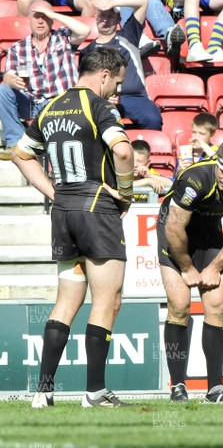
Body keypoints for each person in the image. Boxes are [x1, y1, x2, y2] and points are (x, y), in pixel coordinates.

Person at [11, 47, 133, 408]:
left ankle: (43, 391)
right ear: (104, 75)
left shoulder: (49, 107)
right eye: (117, 83)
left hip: (63, 211)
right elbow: (123, 152)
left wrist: (53, 191)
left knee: (66, 302)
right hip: (97, 210)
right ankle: (94, 392)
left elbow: (21, 154)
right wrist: (124, 193)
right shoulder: (100, 107)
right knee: (107, 300)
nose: (117, 92)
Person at [159, 140, 223, 403]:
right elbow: (173, 228)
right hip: (176, 235)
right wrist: (187, 267)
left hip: (210, 236)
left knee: (217, 307)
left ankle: (216, 388)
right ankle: (177, 387)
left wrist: (215, 267)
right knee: (179, 306)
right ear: (216, 162)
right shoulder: (195, 179)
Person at [0, 2, 90, 160]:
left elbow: (84, 30)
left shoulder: (63, 38)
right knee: (2, 90)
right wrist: (10, 80)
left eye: (45, 17)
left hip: (61, 104)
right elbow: (8, 75)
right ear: (29, 19)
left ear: (51, 20)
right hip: (32, 104)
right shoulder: (18, 48)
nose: (40, 21)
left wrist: (53, 14)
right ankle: (15, 143)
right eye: (36, 16)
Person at [80, 0, 163, 130]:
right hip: (101, 100)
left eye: (111, 16)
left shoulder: (128, 36)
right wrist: (102, 97)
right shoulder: (87, 51)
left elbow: (143, 1)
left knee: (152, 118)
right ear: (96, 17)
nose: (105, 20)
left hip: (135, 99)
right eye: (102, 16)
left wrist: (113, 2)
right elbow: (85, 83)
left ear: (118, 19)